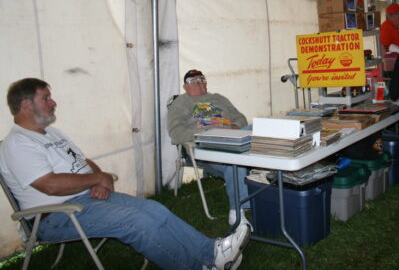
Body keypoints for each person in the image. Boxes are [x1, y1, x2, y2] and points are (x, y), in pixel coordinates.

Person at [0, 78, 250, 270]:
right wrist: (96, 179)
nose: (53, 102)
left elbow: (83, 162)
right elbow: (50, 185)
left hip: (87, 197)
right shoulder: (18, 143)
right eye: (46, 98)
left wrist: (100, 179)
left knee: (155, 210)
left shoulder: (52, 133)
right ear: (26, 104)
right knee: (137, 222)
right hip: (56, 216)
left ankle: (212, 252)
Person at [167, 69, 251, 227]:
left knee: (256, 129)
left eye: (201, 79)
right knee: (235, 160)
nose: (199, 83)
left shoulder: (218, 98)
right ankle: (236, 212)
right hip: (206, 146)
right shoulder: (181, 103)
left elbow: (240, 118)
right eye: (193, 81)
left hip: (232, 138)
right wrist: (205, 133)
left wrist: (235, 126)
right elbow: (176, 133)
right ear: (185, 87)